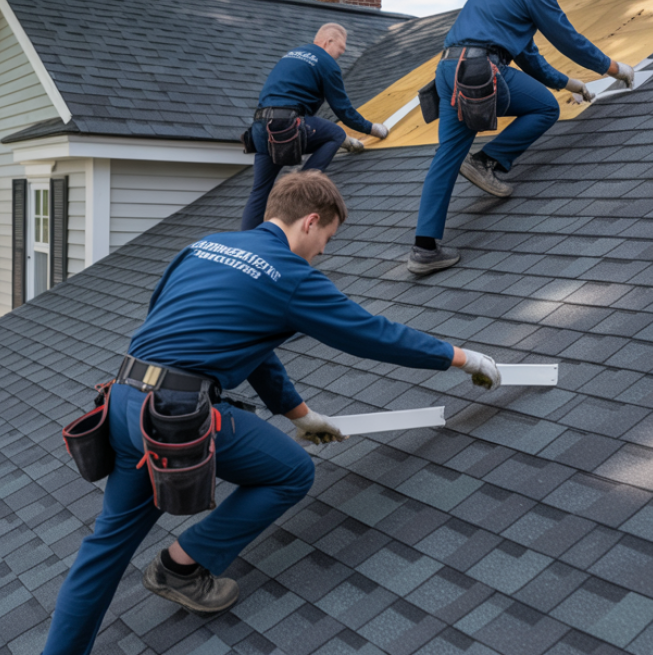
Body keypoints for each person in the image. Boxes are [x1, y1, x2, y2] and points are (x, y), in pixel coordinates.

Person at [42, 171, 502, 655]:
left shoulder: (205, 245)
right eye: (327, 236)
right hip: (175, 419)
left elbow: (233, 339)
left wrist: (300, 414)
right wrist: (463, 358)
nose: (324, 250)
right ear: (309, 222)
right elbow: (374, 335)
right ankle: (182, 566)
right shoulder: (290, 275)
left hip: (121, 402)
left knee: (104, 549)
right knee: (291, 472)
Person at [408, 0, 636, 275]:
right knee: (545, 107)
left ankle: (424, 249)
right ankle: (487, 161)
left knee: (446, 157)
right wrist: (614, 68)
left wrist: (571, 83)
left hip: (448, 71)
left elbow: (530, 58)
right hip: (479, 72)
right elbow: (567, 38)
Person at [240, 23, 389, 231]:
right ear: (329, 41)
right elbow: (343, 111)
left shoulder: (293, 53)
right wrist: (373, 129)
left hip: (260, 129)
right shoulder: (326, 62)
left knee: (259, 192)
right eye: (342, 48)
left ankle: (247, 244)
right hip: (287, 126)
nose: (341, 54)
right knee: (335, 133)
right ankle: (302, 186)